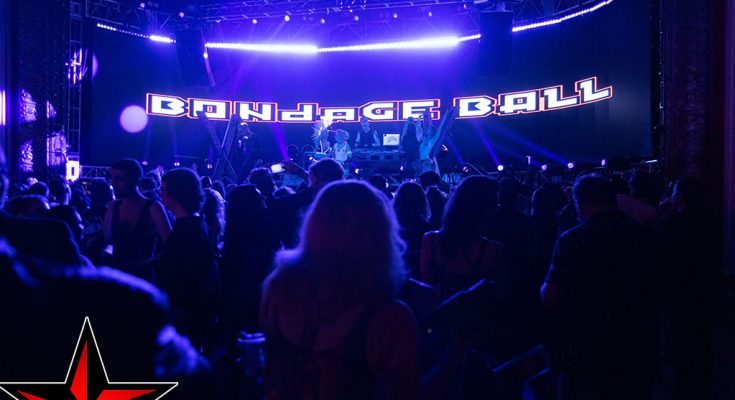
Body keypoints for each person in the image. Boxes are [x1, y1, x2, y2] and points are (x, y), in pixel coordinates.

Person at [260, 181, 421, 399]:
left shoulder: (276, 291)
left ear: (313, 224)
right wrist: (455, 354)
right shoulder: (390, 318)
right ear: (381, 233)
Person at [541, 174, 659, 400]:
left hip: (585, 348)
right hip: (638, 345)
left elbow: (550, 296)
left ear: (581, 204)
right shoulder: (646, 237)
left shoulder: (573, 239)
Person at [157, 168, 221, 352]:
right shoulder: (193, 222)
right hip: (189, 307)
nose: (160, 194)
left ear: (177, 193)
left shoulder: (189, 230)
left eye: (164, 190)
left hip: (186, 309)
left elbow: (191, 274)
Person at [420, 176, 503, 300]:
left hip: (437, 311)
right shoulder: (492, 250)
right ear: (487, 209)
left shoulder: (430, 240)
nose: (498, 208)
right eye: (496, 203)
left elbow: (426, 291)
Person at [102, 159, 171, 278]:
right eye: (112, 179)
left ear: (136, 181)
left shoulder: (153, 208)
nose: (113, 184)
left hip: (143, 278)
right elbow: (108, 242)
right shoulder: (112, 207)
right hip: (117, 277)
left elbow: (171, 247)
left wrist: (143, 265)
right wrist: (105, 254)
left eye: (119, 179)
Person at [393, 182, 431, 278]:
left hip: (394, 274)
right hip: (417, 276)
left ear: (398, 199)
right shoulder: (425, 227)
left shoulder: (390, 223)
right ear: (421, 201)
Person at [418, 108, 457, 175]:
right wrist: (420, 117)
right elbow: (420, 127)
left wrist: (446, 114)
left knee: (428, 176)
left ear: (431, 133)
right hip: (422, 162)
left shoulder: (431, 142)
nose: (427, 130)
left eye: (429, 130)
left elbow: (440, 127)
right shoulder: (422, 138)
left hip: (427, 162)